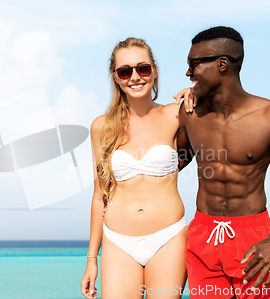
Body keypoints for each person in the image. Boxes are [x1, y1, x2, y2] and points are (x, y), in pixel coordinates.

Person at [175, 26, 270, 299]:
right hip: (203, 234)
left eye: (193, 64)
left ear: (222, 64)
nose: (188, 73)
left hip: (254, 238)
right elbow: (175, 164)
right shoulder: (190, 114)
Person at [81, 37, 194, 299]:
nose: (135, 77)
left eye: (143, 68)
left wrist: (197, 93)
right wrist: (91, 260)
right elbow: (100, 196)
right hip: (118, 242)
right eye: (125, 71)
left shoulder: (176, 115)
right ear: (116, 78)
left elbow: (218, 121)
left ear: (154, 71)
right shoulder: (101, 127)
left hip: (168, 238)